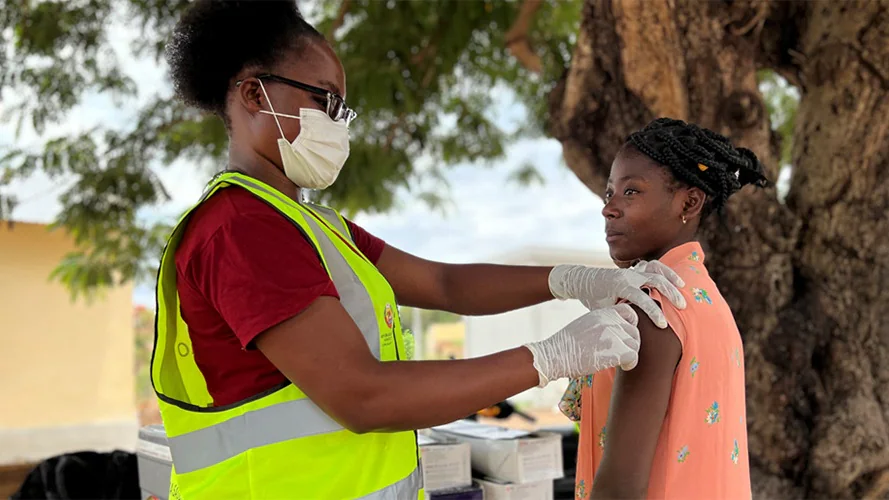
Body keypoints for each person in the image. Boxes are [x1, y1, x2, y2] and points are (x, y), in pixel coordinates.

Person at [152, 2, 687, 499]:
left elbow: (444, 285)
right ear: (252, 94)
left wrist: (575, 280)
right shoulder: (241, 230)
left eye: (343, 107)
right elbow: (364, 396)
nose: (338, 122)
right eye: (324, 100)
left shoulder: (314, 226)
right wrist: (549, 357)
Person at [559, 118, 769, 499]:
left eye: (631, 192)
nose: (609, 209)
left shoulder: (651, 309)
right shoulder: (705, 297)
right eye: (609, 193)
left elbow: (619, 489)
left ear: (689, 202)